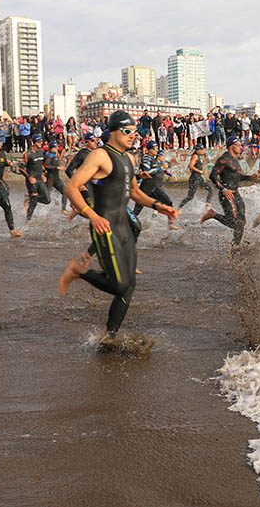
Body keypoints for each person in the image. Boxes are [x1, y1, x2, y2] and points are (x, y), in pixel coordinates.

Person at [59, 111, 178, 346]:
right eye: (128, 132)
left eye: (135, 132)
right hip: (104, 225)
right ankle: (77, 270)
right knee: (120, 284)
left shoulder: (130, 159)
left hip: (123, 225)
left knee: (129, 286)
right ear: (113, 132)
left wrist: (158, 205)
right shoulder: (99, 155)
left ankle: (109, 336)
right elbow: (71, 187)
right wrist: (91, 216)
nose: (133, 136)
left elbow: (134, 192)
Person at [200, 136, 259, 245]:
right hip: (227, 194)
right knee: (236, 223)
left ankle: (236, 245)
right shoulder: (224, 159)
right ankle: (212, 214)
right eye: (239, 145)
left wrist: (249, 177)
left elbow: (236, 176)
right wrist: (223, 189)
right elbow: (213, 175)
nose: (241, 147)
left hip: (235, 193)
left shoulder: (235, 160)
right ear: (232, 146)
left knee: (241, 222)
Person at [133, 140, 178, 229]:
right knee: (137, 210)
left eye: (157, 148)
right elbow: (147, 172)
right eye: (155, 149)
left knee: (168, 203)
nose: (157, 150)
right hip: (148, 188)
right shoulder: (146, 158)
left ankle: (171, 224)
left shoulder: (153, 159)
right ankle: (125, 224)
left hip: (156, 187)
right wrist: (159, 168)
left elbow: (161, 170)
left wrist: (168, 173)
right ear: (149, 149)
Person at [22, 135, 51, 220]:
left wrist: (44, 174)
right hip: (32, 180)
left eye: (41, 142)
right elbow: (21, 167)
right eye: (39, 142)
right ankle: (28, 219)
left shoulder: (41, 152)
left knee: (47, 200)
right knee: (33, 202)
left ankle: (28, 198)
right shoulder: (28, 153)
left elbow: (42, 165)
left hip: (40, 179)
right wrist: (29, 177)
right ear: (34, 143)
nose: (41, 143)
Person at [177, 143, 213, 210]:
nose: (203, 150)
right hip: (195, 178)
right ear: (197, 150)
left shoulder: (199, 155)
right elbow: (191, 166)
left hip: (199, 178)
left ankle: (207, 206)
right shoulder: (195, 156)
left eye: (203, 149)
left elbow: (207, 161)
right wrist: (200, 171)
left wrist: (205, 155)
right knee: (190, 197)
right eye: (201, 149)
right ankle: (178, 208)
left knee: (210, 189)